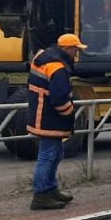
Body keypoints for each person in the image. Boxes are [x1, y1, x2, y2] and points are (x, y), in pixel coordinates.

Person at [27, 33, 87, 210]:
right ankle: (40, 195)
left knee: (55, 154)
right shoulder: (58, 68)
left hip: (41, 113)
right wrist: (69, 114)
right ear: (67, 48)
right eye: (75, 49)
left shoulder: (43, 57)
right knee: (47, 156)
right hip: (50, 118)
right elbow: (59, 98)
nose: (76, 53)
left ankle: (50, 189)